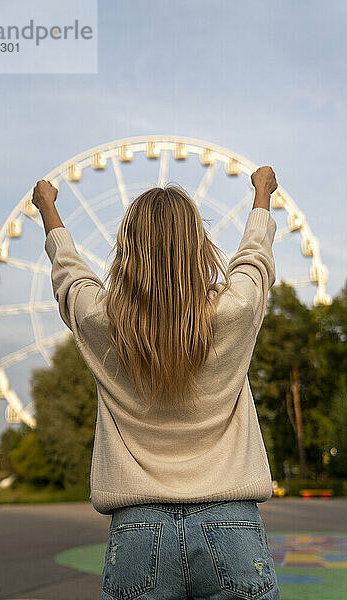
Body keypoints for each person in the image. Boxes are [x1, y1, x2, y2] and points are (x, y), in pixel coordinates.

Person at [33, 165, 282, 599]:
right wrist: (262, 193)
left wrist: (48, 209)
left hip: (137, 528)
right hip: (232, 522)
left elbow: (70, 276)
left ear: (127, 251)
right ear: (199, 244)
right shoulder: (236, 310)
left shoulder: (102, 323)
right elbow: (255, 257)